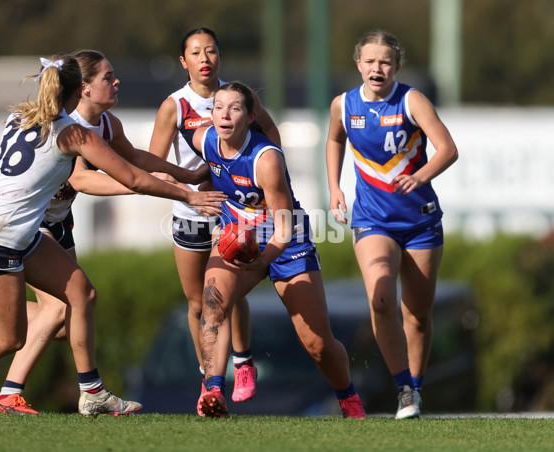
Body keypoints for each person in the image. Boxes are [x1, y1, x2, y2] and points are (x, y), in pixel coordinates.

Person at [0, 54, 225, 423]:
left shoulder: (23, 115)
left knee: (81, 292)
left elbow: (130, 163)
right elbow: (131, 177)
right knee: (10, 338)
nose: (115, 82)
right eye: (108, 76)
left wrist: (184, 176)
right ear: (79, 89)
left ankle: (92, 393)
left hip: (17, 233)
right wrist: (189, 195)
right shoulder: (75, 133)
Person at [192, 81, 365, 419]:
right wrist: (196, 189)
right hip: (236, 236)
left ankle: (349, 398)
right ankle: (213, 390)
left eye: (235, 109)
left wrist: (261, 259)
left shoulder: (266, 159)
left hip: (286, 240)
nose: (224, 115)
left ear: (250, 116)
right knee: (212, 303)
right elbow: (207, 170)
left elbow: (283, 227)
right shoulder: (204, 139)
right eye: (218, 107)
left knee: (317, 343)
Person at [325, 30, 458, 419]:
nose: (377, 68)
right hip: (372, 220)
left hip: (419, 221)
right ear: (358, 64)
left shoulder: (411, 100)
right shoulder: (343, 105)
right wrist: (335, 187)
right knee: (381, 299)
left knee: (416, 314)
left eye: (385, 61)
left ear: (396, 66)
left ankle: (415, 391)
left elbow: (447, 149)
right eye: (369, 61)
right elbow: (334, 140)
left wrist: (421, 176)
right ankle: (402, 388)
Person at [148, 28, 280, 408]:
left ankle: (241, 363)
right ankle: (208, 377)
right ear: (183, 61)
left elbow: (270, 133)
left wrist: (260, 173)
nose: (204, 58)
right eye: (195, 52)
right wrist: (191, 187)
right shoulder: (174, 105)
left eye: (211, 51)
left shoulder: (240, 96)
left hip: (235, 213)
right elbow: (157, 166)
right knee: (196, 303)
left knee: (227, 292)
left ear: (220, 56)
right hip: (191, 212)